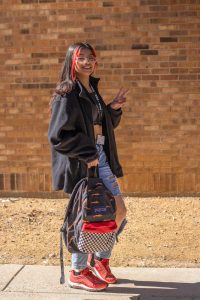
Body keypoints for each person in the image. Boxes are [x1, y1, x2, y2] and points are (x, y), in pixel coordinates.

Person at [48, 42, 128, 292]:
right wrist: (87, 153)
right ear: (71, 61)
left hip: (100, 155)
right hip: (86, 161)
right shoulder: (68, 92)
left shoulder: (90, 88)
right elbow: (58, 135)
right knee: (90, 216)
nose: (86, 62)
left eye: (90, 58)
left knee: (114, 212)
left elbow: (96, 124)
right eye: (80, 58)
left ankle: (99, 260)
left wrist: (111, 110)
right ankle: (78, 271)